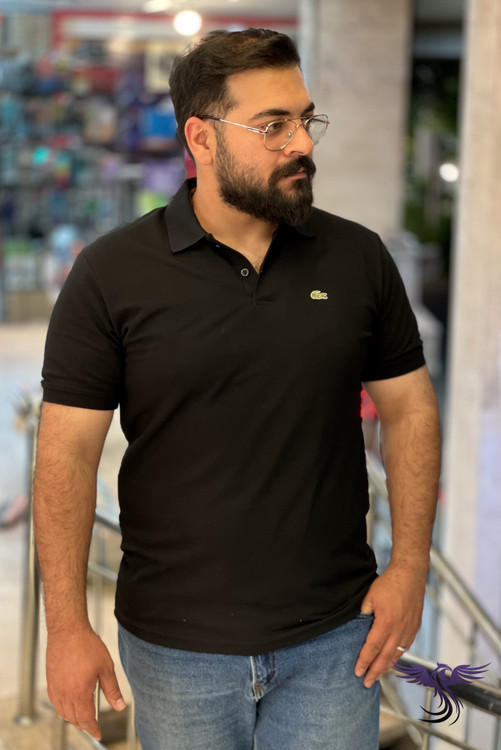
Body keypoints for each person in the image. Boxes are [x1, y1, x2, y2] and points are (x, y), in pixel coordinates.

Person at [34, 28, 441, 750]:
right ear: (201, 137)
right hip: (174, 648)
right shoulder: (110, 274)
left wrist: (410, 568)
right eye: (272, 125)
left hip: (335, 640)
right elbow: (65, 454)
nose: (301, 144)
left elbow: (409, 409)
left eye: (304, 119)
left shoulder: (357, 258)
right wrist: (66, 627)